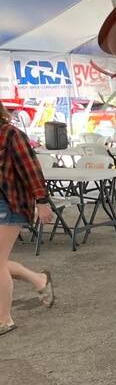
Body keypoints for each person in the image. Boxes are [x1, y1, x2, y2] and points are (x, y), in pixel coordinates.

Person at [0, 103, 56, 335]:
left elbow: (31, 169)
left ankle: (4, 319)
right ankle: (39, 279)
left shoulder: (10, 134)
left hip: (9, 202)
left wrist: (42, 201)